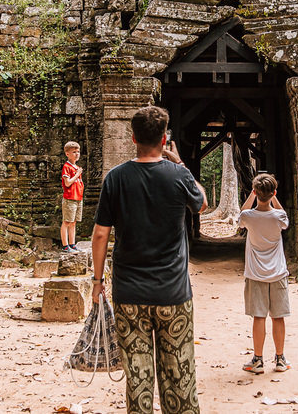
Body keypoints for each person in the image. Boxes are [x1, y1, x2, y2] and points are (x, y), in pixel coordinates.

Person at [91, 106, 208, 414]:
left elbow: (100, 234)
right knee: (180, 378)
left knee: (139, 380)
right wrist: (180, 161)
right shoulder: (179, 174)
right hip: (173, 295)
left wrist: (97, 282)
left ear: (133, 138)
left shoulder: (115, 178)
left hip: (129, 294)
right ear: (164, 138)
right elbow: (202, 204)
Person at [237, 173, 290, 374]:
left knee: (258, 316)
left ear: (255, 192)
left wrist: (253, 195)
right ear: (274, 193)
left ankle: (257, 360)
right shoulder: (279, 217)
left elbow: (242, 213)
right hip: (278, 274)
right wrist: (272, 195)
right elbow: (282, 213)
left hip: (255, 274)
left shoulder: (248, 217)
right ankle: (280, 359)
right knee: (279, 316)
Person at [60, 141, 84, 252]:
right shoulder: (67, 167)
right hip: (70, 198)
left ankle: (72, 244)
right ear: (67, 154)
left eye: (78, 151)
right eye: (74, 152)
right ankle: (65, 246)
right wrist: (77, 174)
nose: (77, 154)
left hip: (78, 198)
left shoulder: (77, 167)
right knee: (66, 222)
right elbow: (68, 183)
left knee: (73, 222)